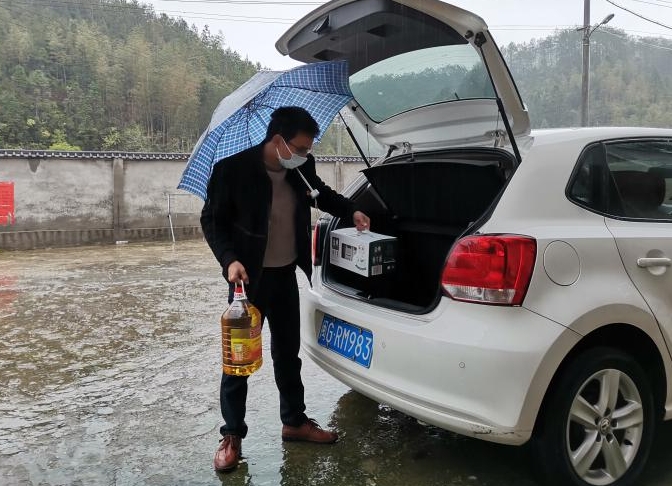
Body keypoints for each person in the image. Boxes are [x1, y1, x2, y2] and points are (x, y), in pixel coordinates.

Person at [201, 106, 370, 473]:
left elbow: (320, 194)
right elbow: (212, 221)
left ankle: (294, 422)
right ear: (278, 140)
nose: (305, 154)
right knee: (238, 362)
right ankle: (232, 435)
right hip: (247, 283)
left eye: (309, 149)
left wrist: (351, 210)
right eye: (301, 147)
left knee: (288, 354)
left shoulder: (299, 168)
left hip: (285, 276)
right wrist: (229, 260)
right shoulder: (232, 169)